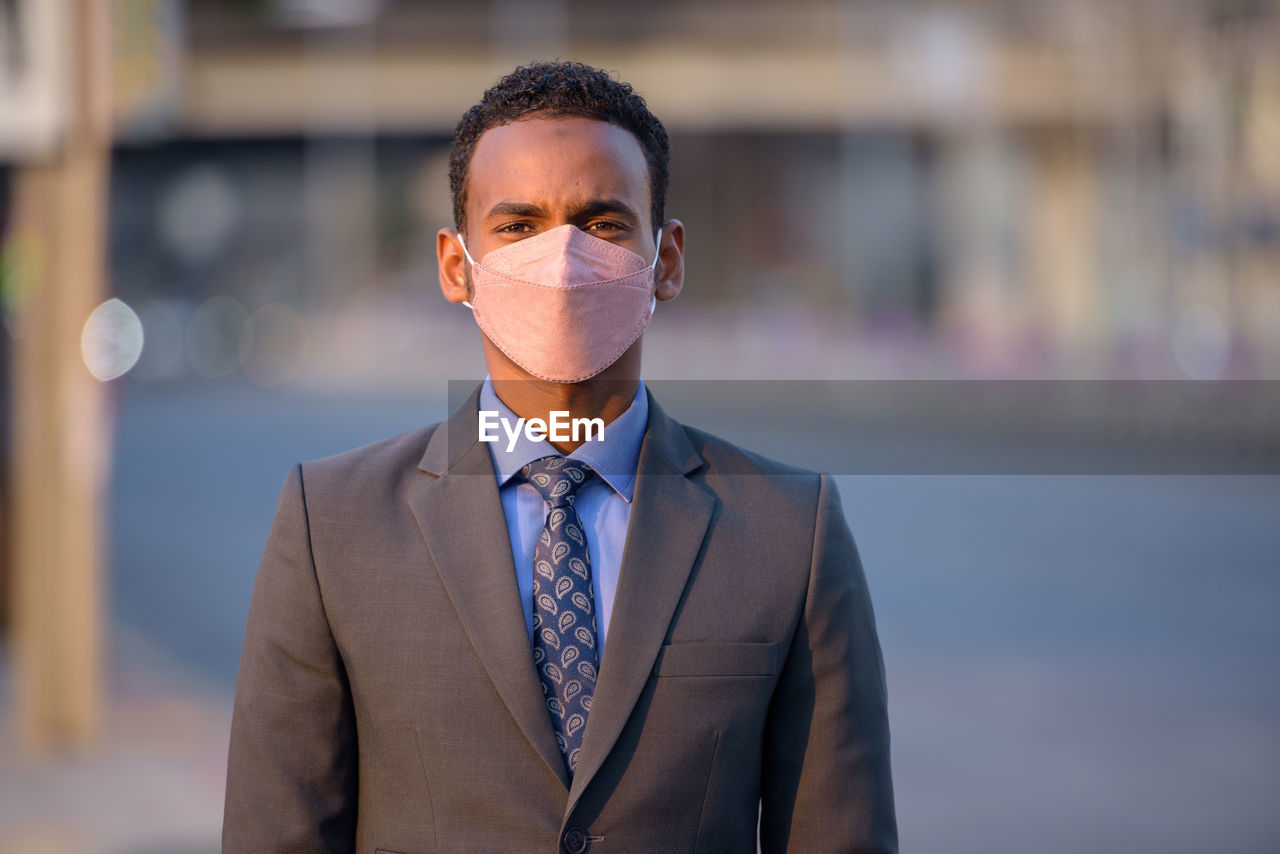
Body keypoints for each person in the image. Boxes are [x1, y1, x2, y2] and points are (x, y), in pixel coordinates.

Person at [223, 60, 896, 853]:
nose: (563, 258)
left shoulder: (790, 531)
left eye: (604, 223)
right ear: (453, 265)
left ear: (667, 260)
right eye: (518, 226)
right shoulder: (331, 525)